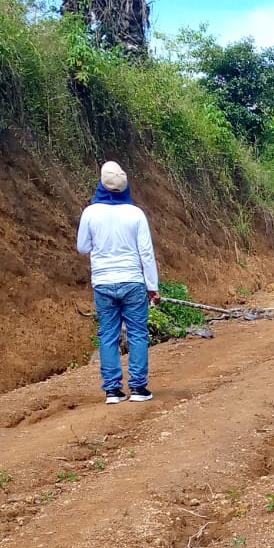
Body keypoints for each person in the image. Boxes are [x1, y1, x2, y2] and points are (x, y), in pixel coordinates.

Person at [76, 160, 160, 403]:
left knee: (108, 335)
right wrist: (152, 287)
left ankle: (112, 390)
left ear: (101, 184)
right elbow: (146, 253)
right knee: (138, 334)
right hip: (132, 281)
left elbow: (82, 247)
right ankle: (138, 388)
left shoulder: (90, 213)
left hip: (103, 282)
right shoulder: (135, 214)